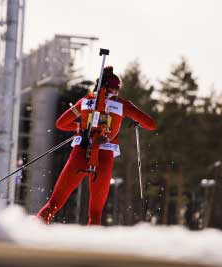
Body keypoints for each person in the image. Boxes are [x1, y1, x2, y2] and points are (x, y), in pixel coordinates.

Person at [37, 66, 157, 225]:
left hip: (80, 154)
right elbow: (151, 125)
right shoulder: (123, 105)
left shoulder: (86, 100)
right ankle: (90, 245)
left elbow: (61, 124)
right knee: (95, 214)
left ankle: (33, 232)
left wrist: (79, 127)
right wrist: (135, 120)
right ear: (117, 89)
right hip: (104, 159)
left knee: (53, 205)